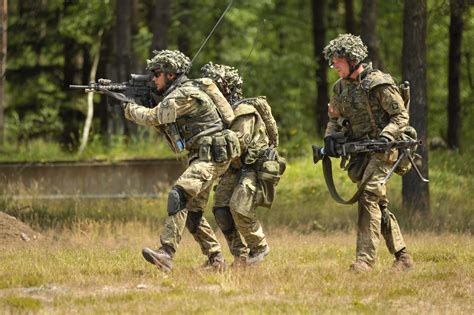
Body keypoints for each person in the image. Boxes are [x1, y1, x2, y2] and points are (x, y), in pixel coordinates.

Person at [122, 50, 241, 272]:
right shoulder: (182, 91)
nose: (153, 78)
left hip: (211, 156)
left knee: (179, 195)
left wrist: (129, 108)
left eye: (157, 73)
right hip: (205, 155)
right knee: (193, 214)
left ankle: (166, 253)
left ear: (172, 74)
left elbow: (153, 116)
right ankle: (216, 260)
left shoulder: (184, 94)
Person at [322, 34, 414, 272]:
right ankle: (403, 257)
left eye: (338, 62)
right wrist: (330, 138)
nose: (334, 67)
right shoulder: (340, 88)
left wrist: (387, 136)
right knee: (379, 205)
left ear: (353, 59)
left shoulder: (378, 83)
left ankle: (365, 261)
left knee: (369, 197)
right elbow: (334, 119)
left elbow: (400, 116)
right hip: (360, 155)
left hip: (385, 151)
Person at [199, 62, 285, 266]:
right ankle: (240, 255)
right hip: (235, 168)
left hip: (253, 167)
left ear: (225, 88)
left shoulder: (243, 110)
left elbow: (239, 142)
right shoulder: (216, 114)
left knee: (240, 207)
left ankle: (259, 247)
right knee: (221, 208)